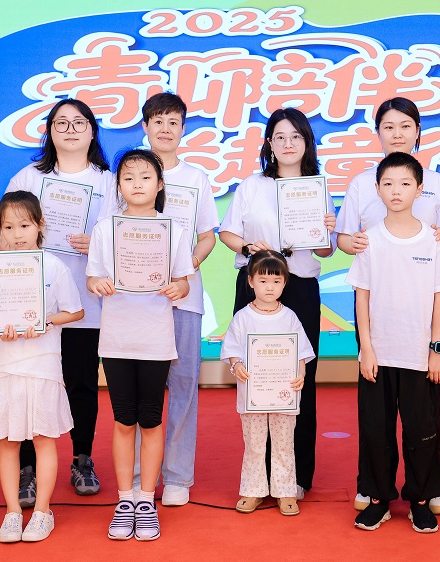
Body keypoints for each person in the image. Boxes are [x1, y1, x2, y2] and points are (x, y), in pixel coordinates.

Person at [335, 96, 440, 515]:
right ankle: (374, 489)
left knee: (423, 416)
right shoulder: (361, 183)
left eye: (405, 125)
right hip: (377, 310)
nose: (397, 133)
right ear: (378, 132)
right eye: (388, 126)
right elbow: (345, 239)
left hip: (423, 313)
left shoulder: (437, 182)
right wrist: (356, 243)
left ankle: (426, 489)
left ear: (418, 130)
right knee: (376, 417)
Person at [219, 107, 336, 498]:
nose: (288, 143)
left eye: (296, 136)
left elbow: (325, 249)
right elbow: (228, 233)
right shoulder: (252, 186)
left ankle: (295, 476)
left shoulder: (316, 187)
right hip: (255, 285)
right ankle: (259, 477)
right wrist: (249, 248)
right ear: (269, 143)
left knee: (299, 377)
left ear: (307, 143)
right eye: (280, 137)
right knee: (255, 375)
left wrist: (327, 229)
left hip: (299, 288)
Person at [3, 98, 114, 504]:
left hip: (86, 301)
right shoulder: (29, 177)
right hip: (32, 303)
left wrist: (99, 243)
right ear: (49, 131)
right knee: (30, 384)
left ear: (92, 131)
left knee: (82, 382)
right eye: (61, 122)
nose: (70, 129)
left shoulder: (108, 181)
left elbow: (123, 235)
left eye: (79, 122)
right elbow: (3, 230)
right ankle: (27, 468)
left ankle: (82, 458)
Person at [86, 149, 193, 541]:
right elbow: (92, 277)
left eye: (145, 177)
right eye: (128, 178)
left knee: (150, 419)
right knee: (122, 420)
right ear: (119, 186)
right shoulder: (106, 229)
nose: (136, 184)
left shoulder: (173, 230)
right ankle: (124, 499)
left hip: (155, 339)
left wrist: (179, 288)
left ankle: (146, 499)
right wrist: (97, 283)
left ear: (159, 185)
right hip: (117, 339)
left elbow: (184, 281)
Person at [0, 191, 85, 542]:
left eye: (24, 225)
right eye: (9, 227)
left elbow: (76, 311)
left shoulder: (54, 266)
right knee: (8, 442)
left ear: (40, 225)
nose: (17, 234)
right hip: (6, 367)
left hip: (43, 365)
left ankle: (43, 511)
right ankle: (13, 512)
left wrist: (48, 321)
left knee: (44, 439)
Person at [132, 92, 219, 506]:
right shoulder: (129, 173)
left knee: (183, 385)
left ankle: (179, 476)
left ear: (183, 129)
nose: (165, 129)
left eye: (173, 122)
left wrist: (187, 268)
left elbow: (208, 236)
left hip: (184, 297)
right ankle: (137, 475)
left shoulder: (196, 178)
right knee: (138, 390)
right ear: (145, 126)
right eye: (158, 121)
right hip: (135, 301)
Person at [221, 250, 315, 516]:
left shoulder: (290, 317)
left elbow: (301, 353)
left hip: (284, 394)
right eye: (263, 281)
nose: (270, 287)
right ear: (250, 281)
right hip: (253, 394)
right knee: (254, 444)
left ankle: (286, 491)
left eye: (276, 281)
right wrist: (237, 365)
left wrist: (301, 373)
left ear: (285, 283)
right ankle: (252, 490)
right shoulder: (242, 317)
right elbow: (232, 350)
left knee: (284, 443)